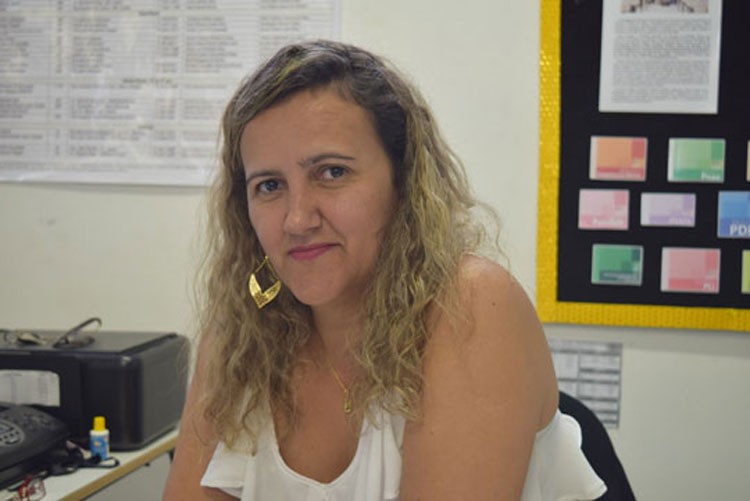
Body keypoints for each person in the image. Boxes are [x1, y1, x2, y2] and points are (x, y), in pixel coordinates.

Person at [163, 40, 606, 500]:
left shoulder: (471, 303)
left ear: (404, 181)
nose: (297, 220)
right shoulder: (242, 333)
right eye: (269, 185)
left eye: (332, 173)